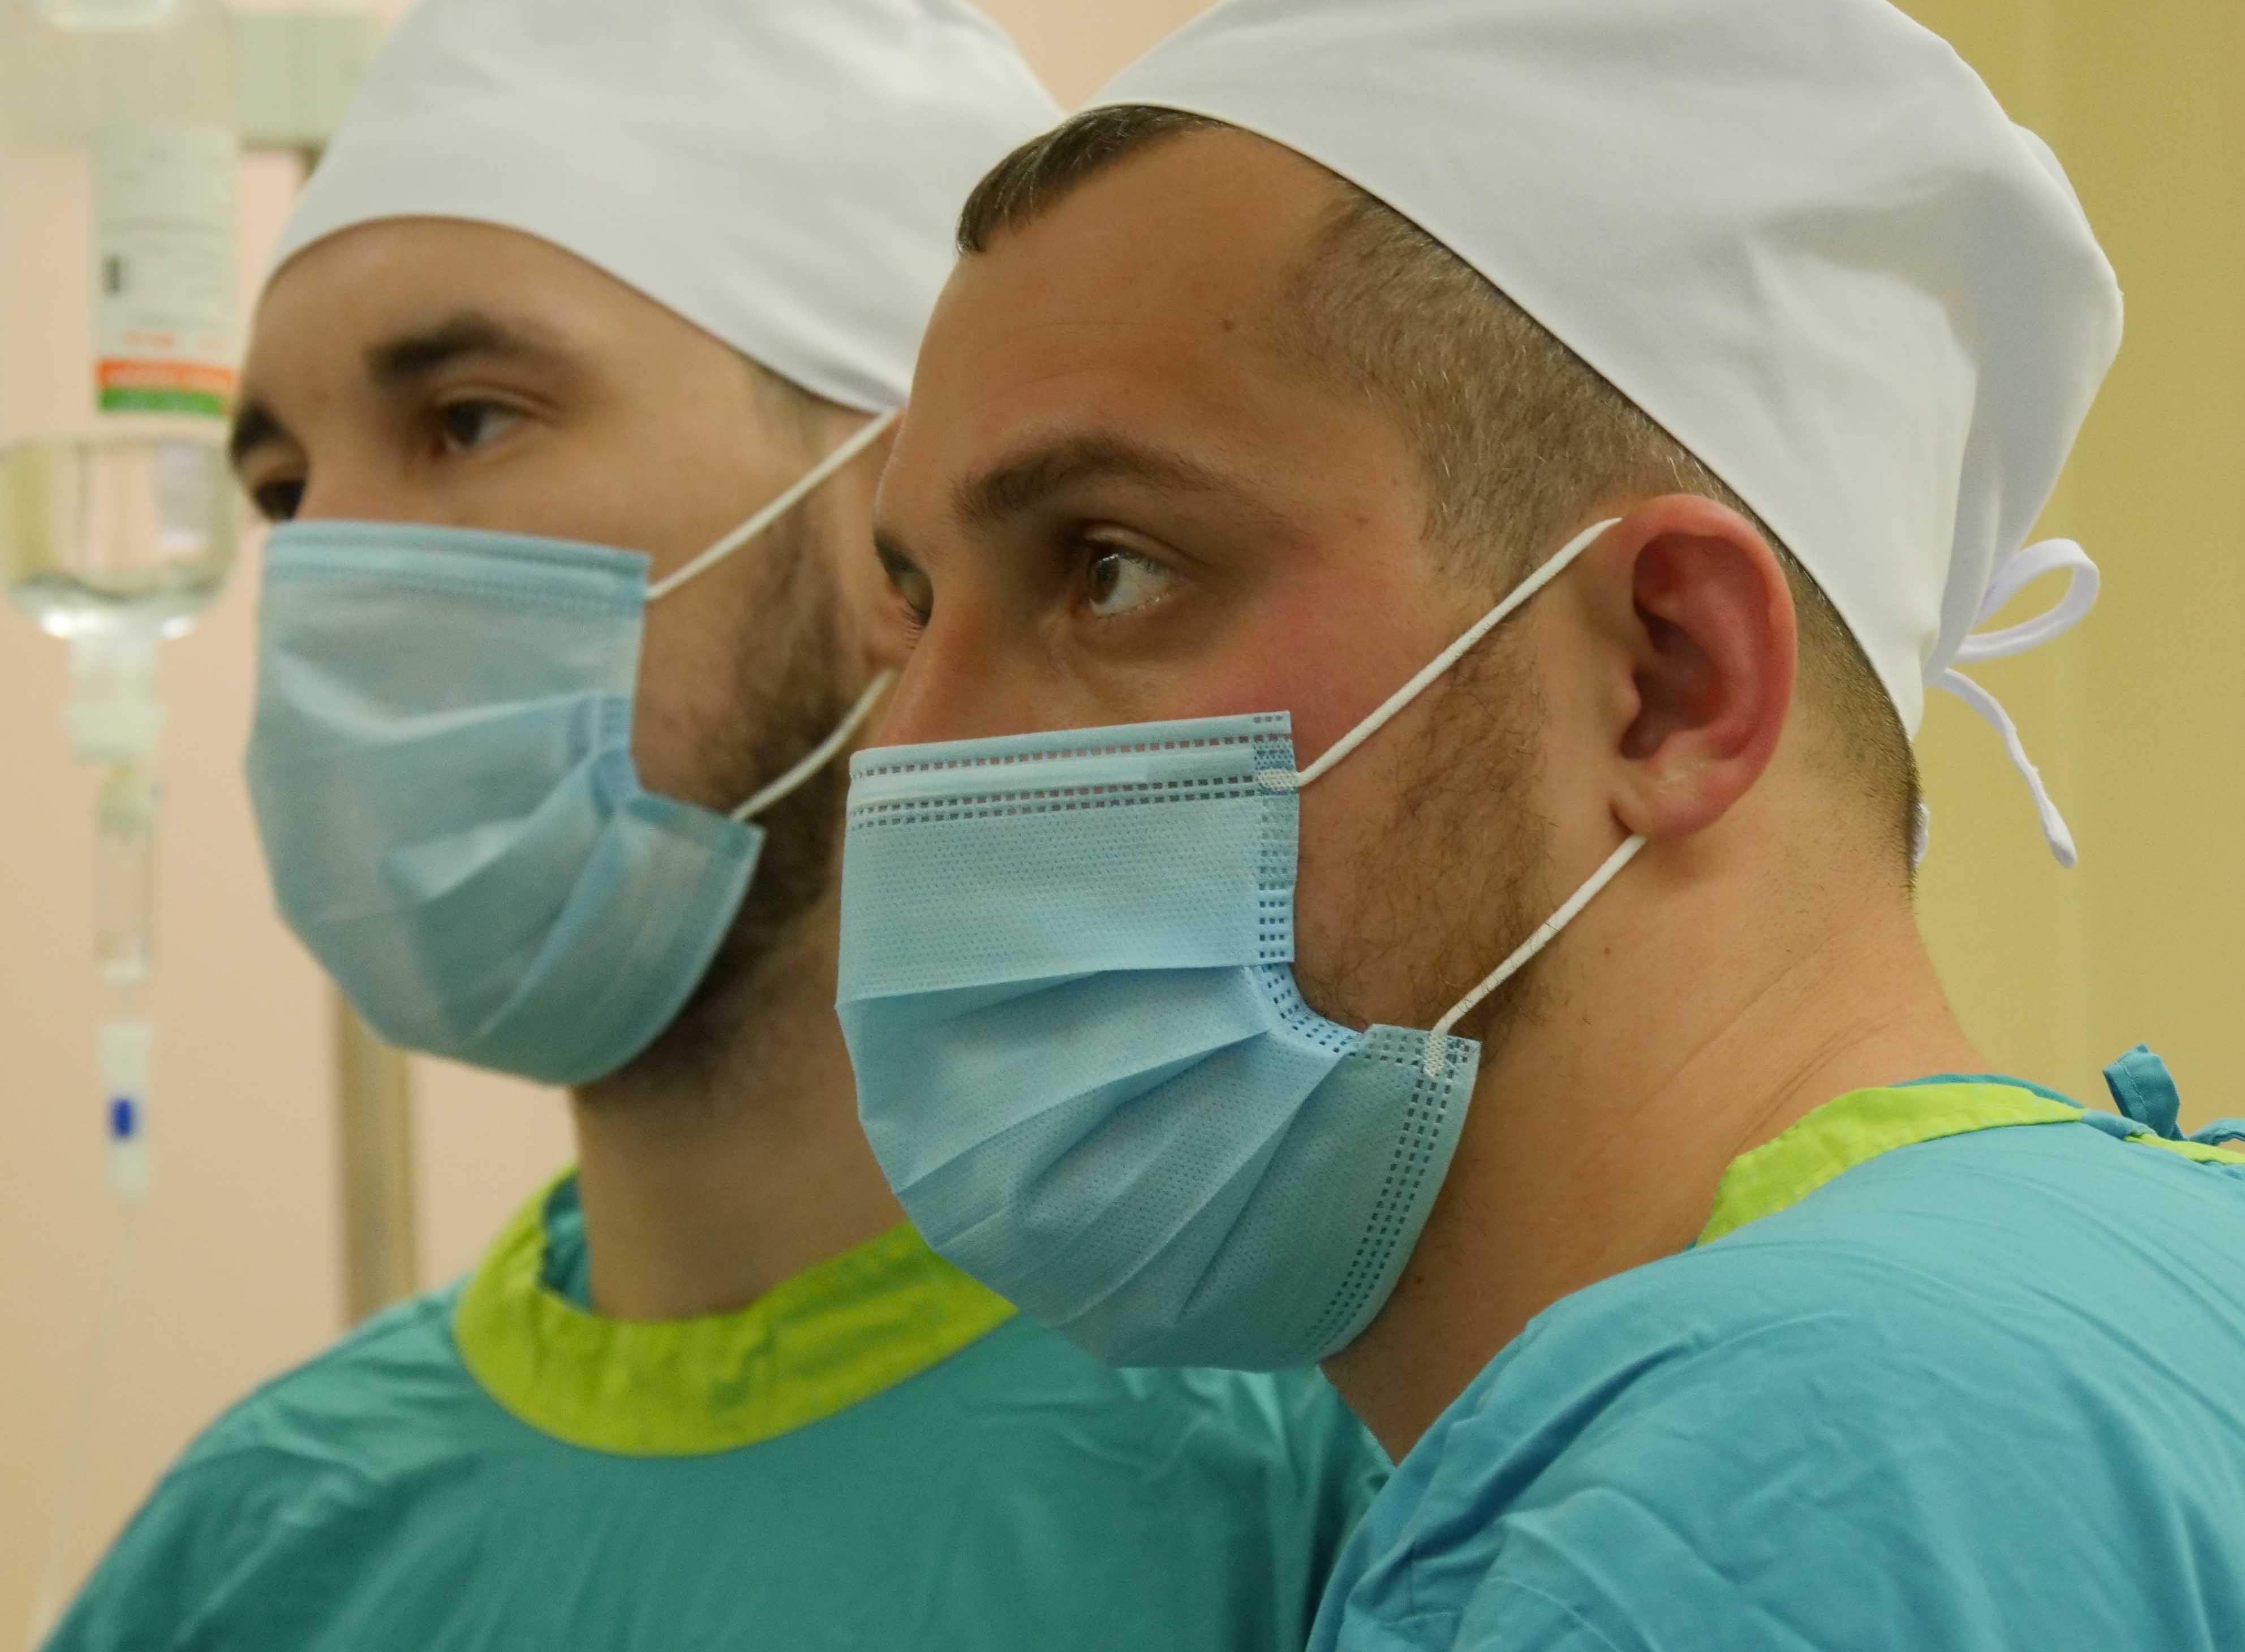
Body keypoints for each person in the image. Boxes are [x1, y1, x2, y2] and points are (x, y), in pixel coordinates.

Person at [842, 0, 2245, 1646]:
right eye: (915, 608)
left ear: (1670, 676)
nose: (908, 749)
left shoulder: (1745, 1507)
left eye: (1113, 570)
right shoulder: (2108, 1314)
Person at [42, 2, 1386, 1647]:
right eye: (284, 492)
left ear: (907, 523)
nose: (334, 570)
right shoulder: (260, 1550)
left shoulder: (1337, 1491)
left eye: (467, 420)